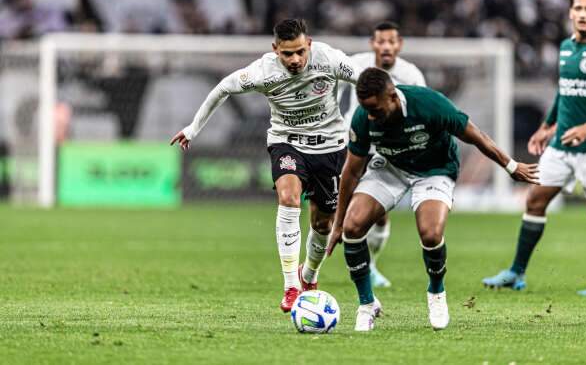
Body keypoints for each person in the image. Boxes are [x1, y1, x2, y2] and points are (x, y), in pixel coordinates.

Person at [170, 18, 361, 312]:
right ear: (275, 50)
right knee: (288, 198)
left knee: (323, 222)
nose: (295, 59)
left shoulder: (330, 59)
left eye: (300, 51)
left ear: (308, 44)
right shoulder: (262, 71)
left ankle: (308, 275)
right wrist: (193, 129)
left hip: (331, 147)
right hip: (287, 142)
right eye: (287, 54)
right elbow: (223, 88)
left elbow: (368, 80)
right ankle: (291, 287)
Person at [326, 67, 539, 331]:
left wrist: (511, 167)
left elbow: (477, 136)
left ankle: (436, 293)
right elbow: (352, 170)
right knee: (353, 226)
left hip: (435, 169)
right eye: (367, 110)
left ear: (392, 97)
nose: (372, 116)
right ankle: (367, 304)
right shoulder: (364, 117)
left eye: (376, 110)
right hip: (391, 167)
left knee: (430, 233)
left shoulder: (429, 104)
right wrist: (338, 222)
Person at [482, 0, 586, 296]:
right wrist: (547, 125)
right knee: (535, 200)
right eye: (578, 8)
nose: (583, 14)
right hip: (560, 146)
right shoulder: (565, 47)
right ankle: (516, 273)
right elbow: (564, 92)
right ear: (571, 12)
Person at [343, 21, 427, 288]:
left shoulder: (411, 74)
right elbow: (331, 83)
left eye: (391, 41)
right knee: (332, 209)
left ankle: (371, 266)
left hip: (385, 149)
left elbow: (421, 108)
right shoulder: (356, 64)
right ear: (373, 44)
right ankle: (311, 269)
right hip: (352, 145)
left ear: (399, 44)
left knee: (377, 214)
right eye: (381, 41)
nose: (386, 46)